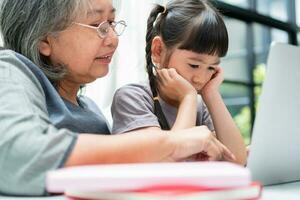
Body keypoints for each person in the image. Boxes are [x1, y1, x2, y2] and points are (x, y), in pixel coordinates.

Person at [0, 0, 235, 196]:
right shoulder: (10, 68)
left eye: (111, 23)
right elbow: (19, 153)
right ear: (45, 39)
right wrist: (174, 143)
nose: (113, 38)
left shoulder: (90, 110)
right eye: (97, 24)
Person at [111, 0, 247, 164]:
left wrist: (211, 94)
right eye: (194, 65)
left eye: (211, 68)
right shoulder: (133, 98)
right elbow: (168, 165)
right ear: (158, 50)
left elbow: (238, 161)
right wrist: (188, 98)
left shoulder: (200, 106)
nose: (201, 78)